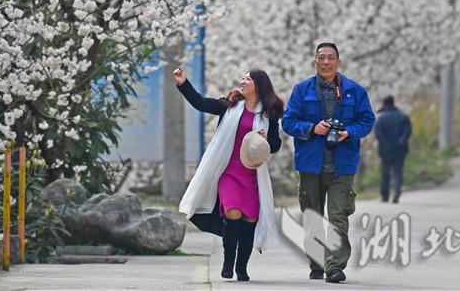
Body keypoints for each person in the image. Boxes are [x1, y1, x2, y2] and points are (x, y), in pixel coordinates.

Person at [174, 66, 283, 281]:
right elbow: (200, 103)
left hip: (252, 174)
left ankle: (241, 268)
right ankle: (227, 262)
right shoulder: (230, 105)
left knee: (250, 219)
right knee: (232, 212)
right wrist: (183, 83)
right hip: (229, 171)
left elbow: (276, 144)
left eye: (248, 79)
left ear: (258, 85)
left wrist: (265, 140)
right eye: (242, 77)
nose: (242, 81)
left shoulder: (268, 114)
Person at [282, 42, 375, 283]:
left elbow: (367, 120)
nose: (326, 62)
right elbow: (288, 122)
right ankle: (316, 262)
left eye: (330, 58)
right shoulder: (302, 90)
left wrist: (349, 133)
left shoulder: (355, 90)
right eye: (321, 58)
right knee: (312, 215)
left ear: (338, 61)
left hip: (342, 164)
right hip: (311, 164)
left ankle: (335, 267)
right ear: (315, 61)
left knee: (338, 216)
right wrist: (312, 128)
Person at [374, 96, 412, 203]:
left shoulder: (380, 118)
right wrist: (401, 142)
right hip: (400, 149)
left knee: (385, 172)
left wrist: (386, 144)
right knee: (398, 171)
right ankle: (396, 192)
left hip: (385, 150)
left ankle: (385, 195)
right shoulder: (403, 116)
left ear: (384, 104)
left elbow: (378, 134)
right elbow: (407, 131)